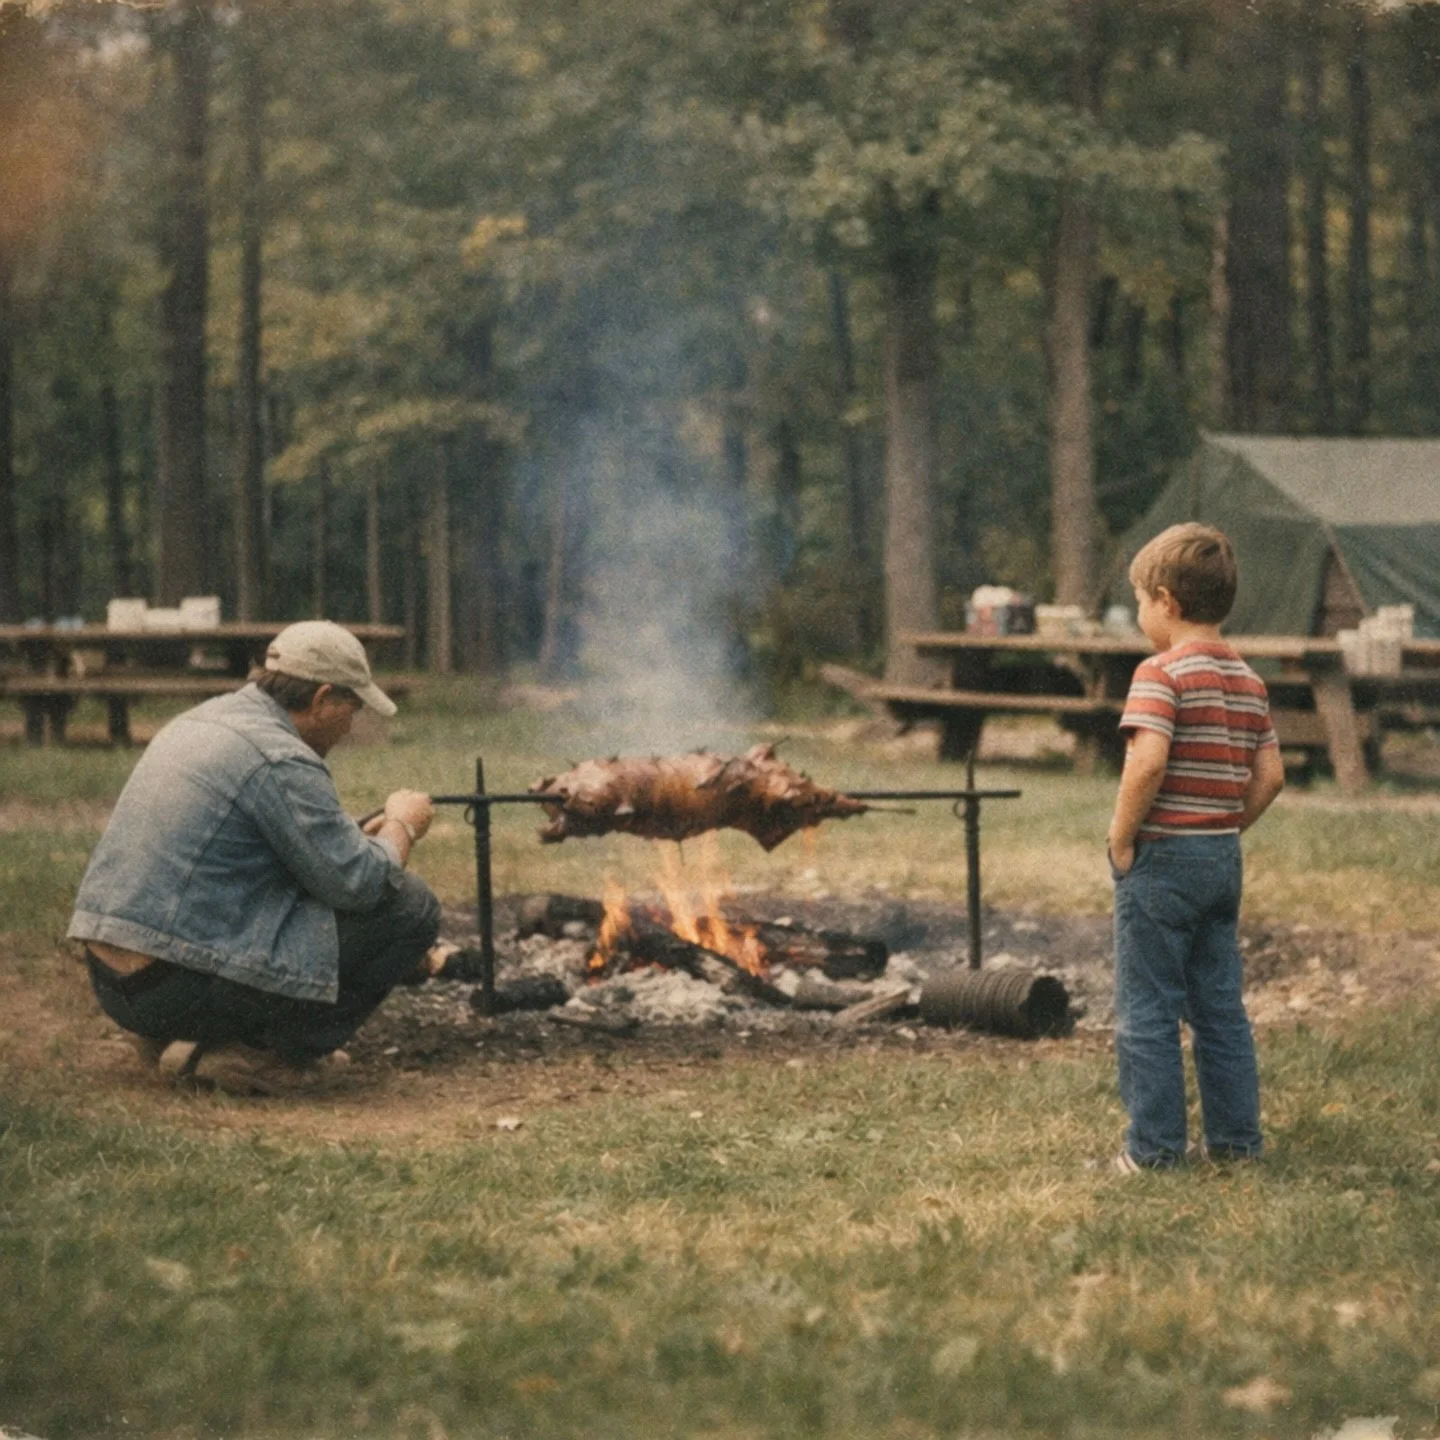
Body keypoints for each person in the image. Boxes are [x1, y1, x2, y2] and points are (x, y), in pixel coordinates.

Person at [68, 620, 440, 1095]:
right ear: (323, 699)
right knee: (410, 906)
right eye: (353, 707)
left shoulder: (204, 719)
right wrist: (402, 825)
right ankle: (261, 1056)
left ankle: (171, 1038)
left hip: (114, 979)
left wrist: (346, 839)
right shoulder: (282, 756)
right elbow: (361, 885)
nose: (352, 725)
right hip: (171, 987)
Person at [1106, 523, 1285, 1172]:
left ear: (1166, 601)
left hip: (1162, 861)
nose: (1139, 616)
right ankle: (1237, 1145)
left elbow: (1147, 762)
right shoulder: (1248, 680)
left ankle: (1153, 1152)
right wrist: (1225, 827)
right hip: (1219, 861)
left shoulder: (1159, 674)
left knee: (1147, 1008)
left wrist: (1122, 837)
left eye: (1139, 603)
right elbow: (1271, 777)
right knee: (1219, 1008)